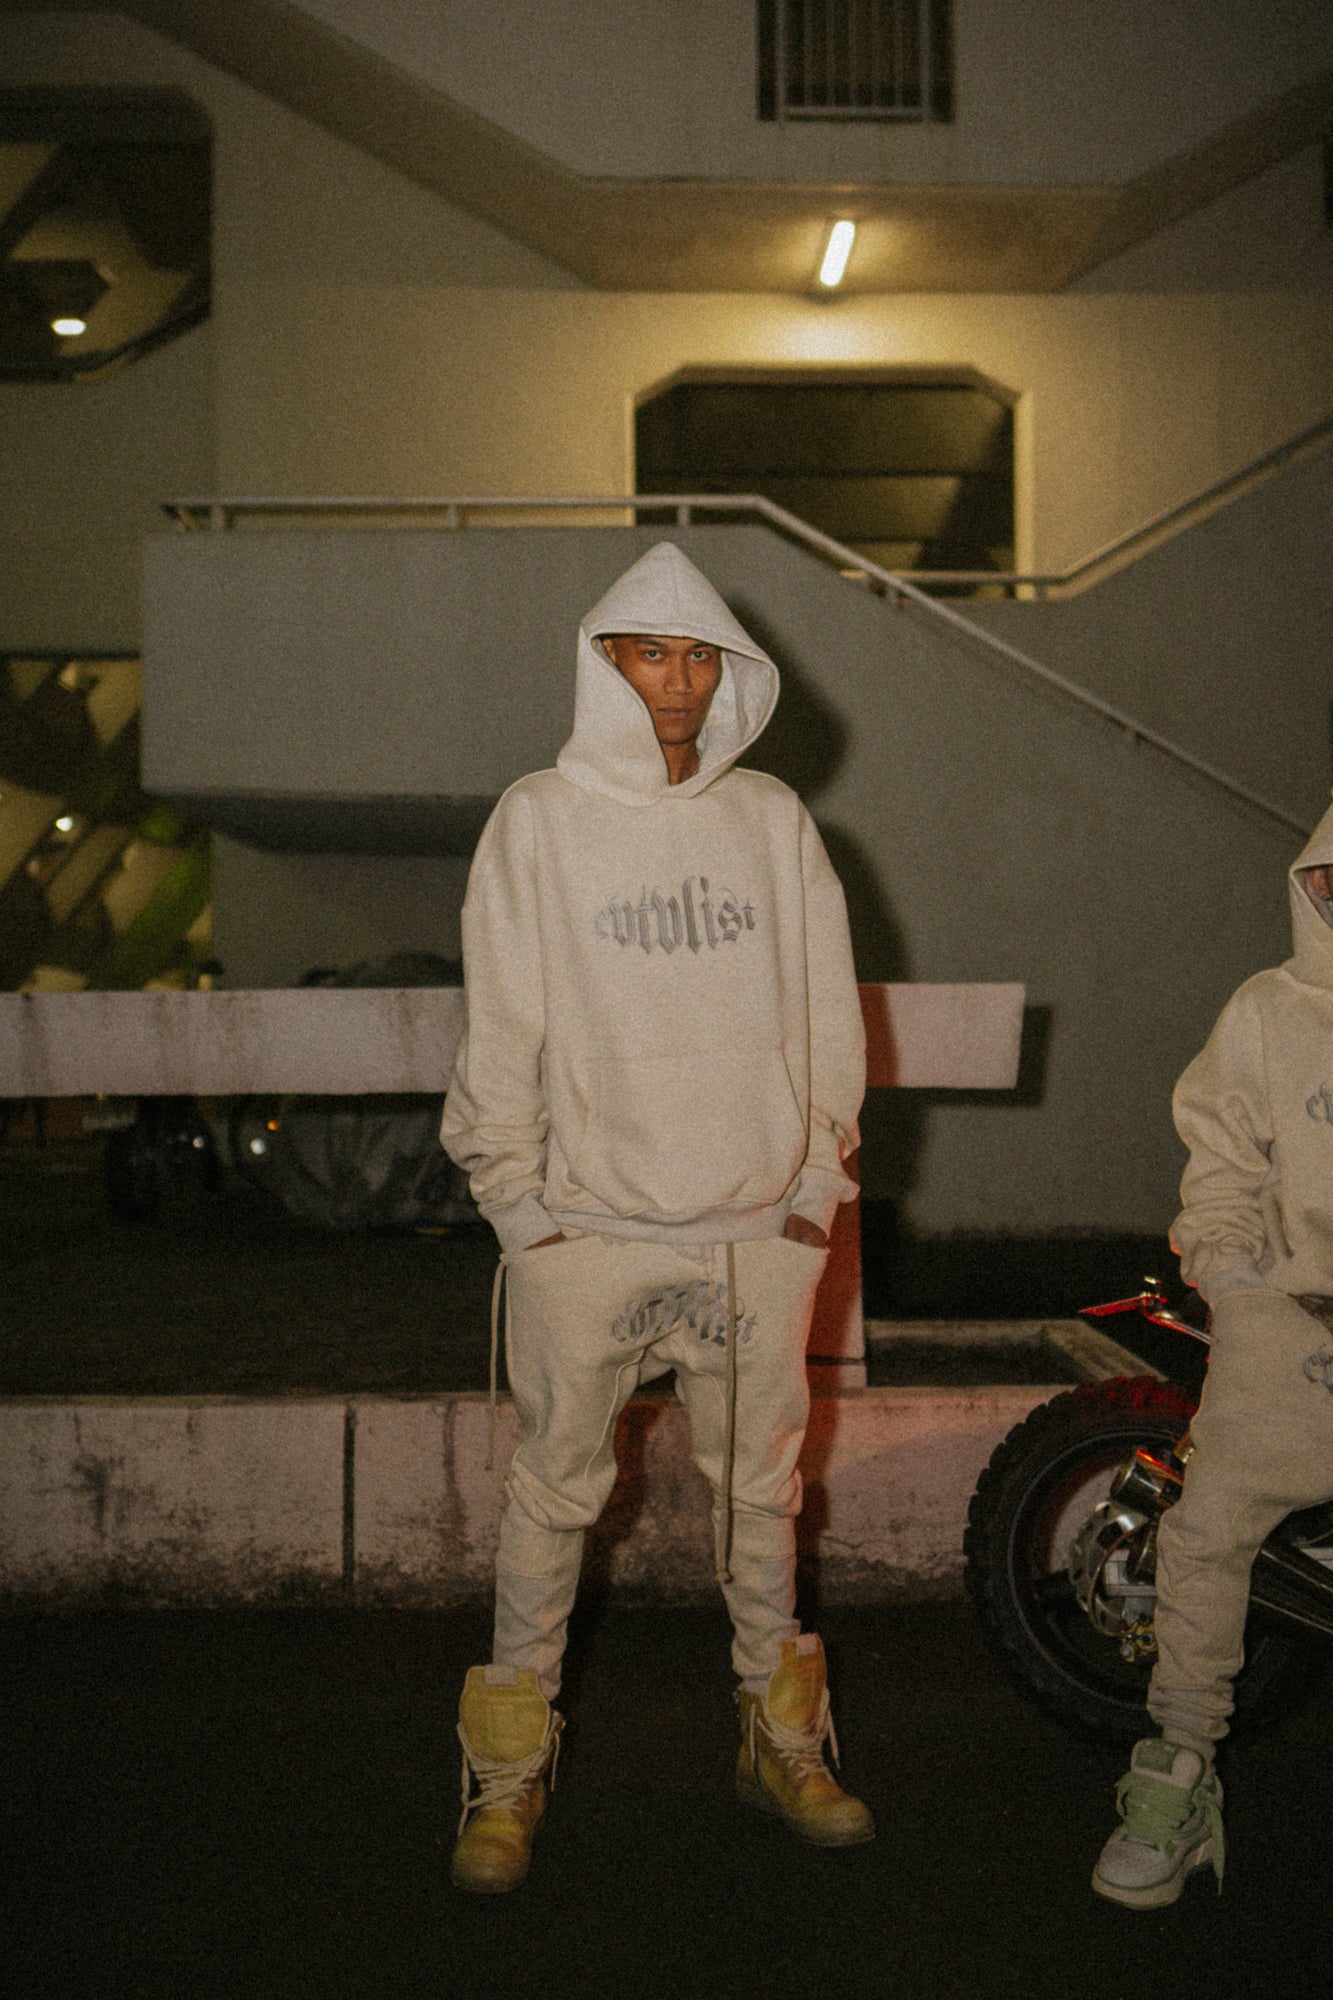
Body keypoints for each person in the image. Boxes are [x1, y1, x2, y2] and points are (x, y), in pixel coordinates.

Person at [440, 541, 873, 1893]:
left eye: (698, 655)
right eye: (649, 653)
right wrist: (518, 1209)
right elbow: (501, 1023)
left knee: (761, 1493)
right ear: (603, 661)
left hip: (753, 1233)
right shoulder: (538, 819)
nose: (675, 681)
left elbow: (828, 1012)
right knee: (552, 1494)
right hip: (587, 1229)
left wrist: (811, 1195)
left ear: (726, 670)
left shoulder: (772, 820)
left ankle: (780, 1739)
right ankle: (506, 1772)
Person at [1092, 802, 1333, 1909]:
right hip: (1288, 1319)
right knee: (1204, 1536)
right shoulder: (1266, 1012)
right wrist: (1235, 1286)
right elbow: (1222, 1166)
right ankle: (1179, 1772)